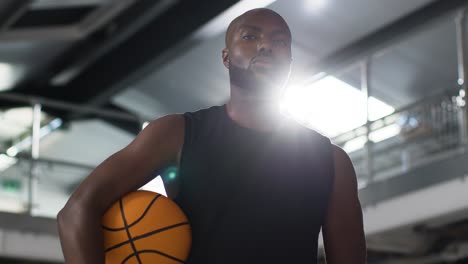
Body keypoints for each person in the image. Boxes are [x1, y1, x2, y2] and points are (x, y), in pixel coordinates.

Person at [57, 8, 366, 264]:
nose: (266, 45)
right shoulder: (176, 133)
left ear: (290, 61)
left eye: (280, 41)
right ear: (226, 57)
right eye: (250, 36)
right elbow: (76, 212)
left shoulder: (331, 162)